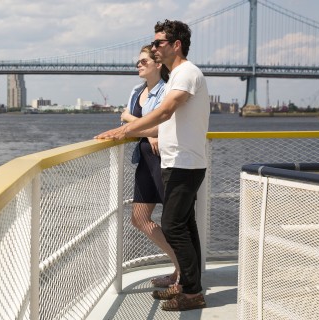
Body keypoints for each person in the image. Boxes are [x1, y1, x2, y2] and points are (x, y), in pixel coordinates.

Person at [95, 19, 210, 311]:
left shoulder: (185, 73)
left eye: (159, 43)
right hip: (179, 161)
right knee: (185, 225)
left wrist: (124, 130)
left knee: (173, 226)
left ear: (176, 45)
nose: (155, 47)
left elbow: (165, 111)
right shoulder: (178, 75)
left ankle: (192, 292)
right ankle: (188, 286)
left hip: (184, 163)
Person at [122, 45, 179, 288]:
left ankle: (181, 272)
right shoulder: (136, 91)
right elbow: (123, 117)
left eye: (144, 61)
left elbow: (161, 127)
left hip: (165, 161)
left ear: (158, 65)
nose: (138, 64)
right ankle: (180, 266)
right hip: (145, 160)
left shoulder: (167, 91)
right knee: (139, 219)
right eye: (138, 61)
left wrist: (141, 127)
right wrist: (148, 133)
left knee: (174, 222)